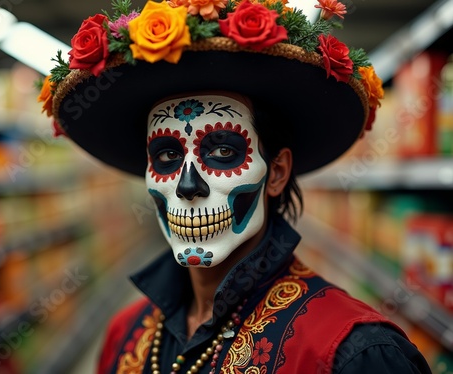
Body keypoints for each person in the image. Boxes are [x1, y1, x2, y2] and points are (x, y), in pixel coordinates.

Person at [38, 0, 432, 372]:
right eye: (166, 157)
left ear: (276, 173)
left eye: (223, 150)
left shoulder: (354, 356)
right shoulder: (124, 335)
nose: (188, 185)